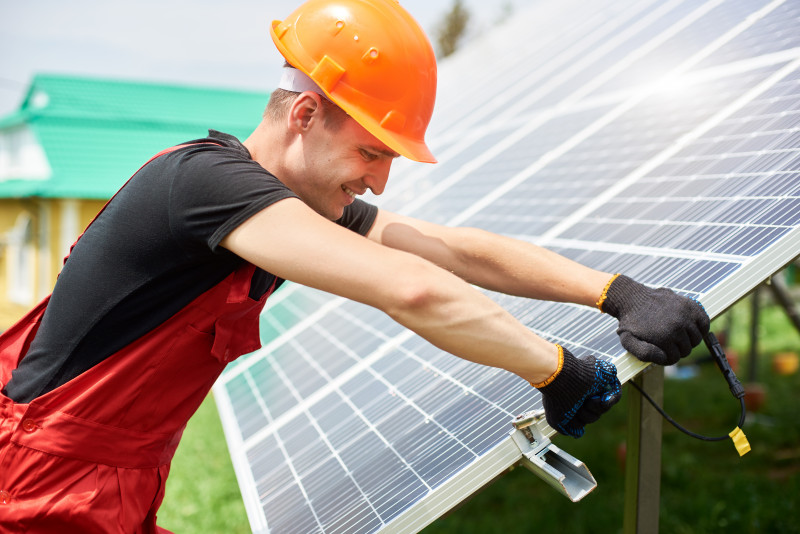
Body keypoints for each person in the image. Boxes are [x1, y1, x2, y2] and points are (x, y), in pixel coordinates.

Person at [0, 0, 709, 532]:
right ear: (304, 114)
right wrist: (556, 369)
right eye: (371, 153)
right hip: (39, 486)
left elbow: (451, 250)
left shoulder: (286, 202)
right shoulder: (206, 187)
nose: (379, 183)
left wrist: (615, 293)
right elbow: (412, 288)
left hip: (109, 481)